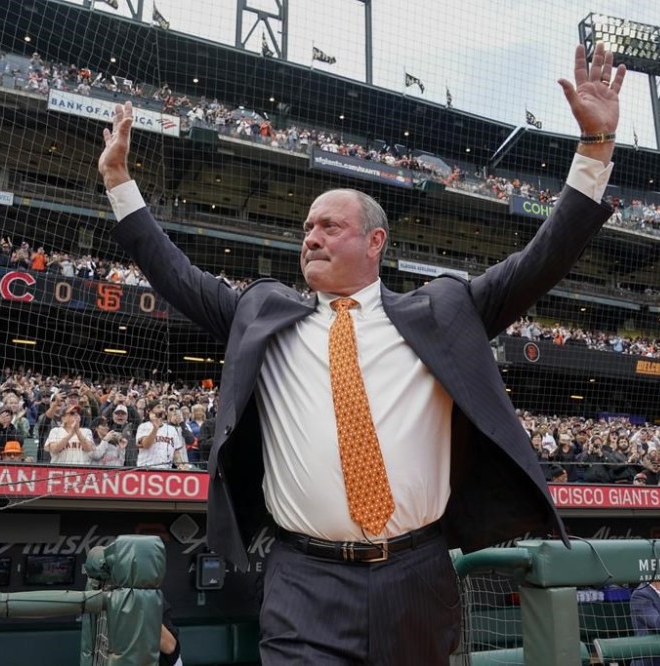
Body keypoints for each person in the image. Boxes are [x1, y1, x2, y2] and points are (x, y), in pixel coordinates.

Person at [98, 42, 625, 665]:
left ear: (374, 241)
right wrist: (118, 183)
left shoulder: (441, 311)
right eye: (306, 229)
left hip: (418, 577)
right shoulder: (264, 315)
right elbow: (175, 274)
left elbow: (541, 261)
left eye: (328, 226)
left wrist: (594, 151)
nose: (310, 237)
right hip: (303, 581)